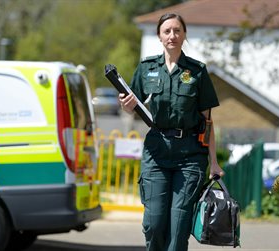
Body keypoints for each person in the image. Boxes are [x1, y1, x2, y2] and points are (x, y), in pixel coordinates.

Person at [118, 13, 223, 251]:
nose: (172, 36)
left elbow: (208, 122)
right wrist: (126, 107)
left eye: (177, 30)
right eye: (167, 31)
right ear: (159, 36)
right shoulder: (147, 68)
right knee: (154, 223)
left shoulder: (197, 72)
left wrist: (213, 162)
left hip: (190, 156)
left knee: (178, 226)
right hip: (156, 151)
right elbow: (131, 105)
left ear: (184, 34)